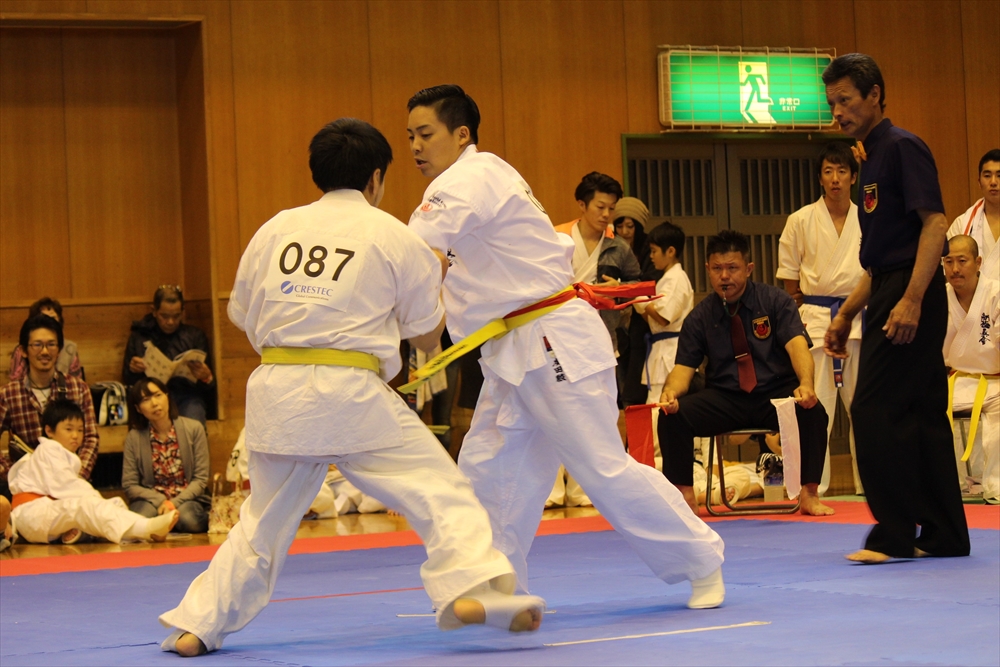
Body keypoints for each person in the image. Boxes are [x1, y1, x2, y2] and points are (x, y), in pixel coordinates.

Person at [159, 118, 546, 658]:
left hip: (276, 388)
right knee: (442, 492)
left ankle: (198, 626)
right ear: (376, 177)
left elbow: (242, 314)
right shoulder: (395, 236)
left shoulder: (274, 229)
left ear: (317, 172)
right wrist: (435, 277)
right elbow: (424, 333)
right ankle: (470, 587)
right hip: (351, 392)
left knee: (261, 523)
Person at [406, 84, 725, 610]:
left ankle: (701, 561)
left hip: (550, 340)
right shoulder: (479, 179)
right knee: (489, 469)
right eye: (410, 137)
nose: (416, 147)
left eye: (425, 134)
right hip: (513, 349)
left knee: (601, 466)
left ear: (461, 135)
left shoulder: (467, 178)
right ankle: (493, 586)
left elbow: (416, 252)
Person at [822, 53, 970, 563]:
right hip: (892, 286)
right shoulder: (871, 158)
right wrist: (846, 313)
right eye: (832, 103)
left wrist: (911, 299)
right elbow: (880, 259)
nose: (837, 112)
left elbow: (935, 224)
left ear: (875, 94)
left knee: (873, 409)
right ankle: (945, 534)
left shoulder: (903, 146)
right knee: (921, 414)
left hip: (913, 290)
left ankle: (894, 533)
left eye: (845, 100)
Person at [657, 230, 833, 516]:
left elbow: (798, 346)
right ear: (707, 269)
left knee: (813, 411)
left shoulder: (775, 301)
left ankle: (809, 493)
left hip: (774, 394)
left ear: (749, 268)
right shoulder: (700, 317)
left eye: (732, 268)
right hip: (725, 398)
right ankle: (685, 498)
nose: (724, 276)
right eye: (717, 268)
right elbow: (682, 369)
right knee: (671, 416)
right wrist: (670, 393)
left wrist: (806, 384)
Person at [776, 141, 865, 496]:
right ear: (819, 178)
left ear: (854, 177)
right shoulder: (799, 220)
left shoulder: (868, 217)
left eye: (842, 171)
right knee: (815, 405)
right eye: (828, 171)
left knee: (864, 407)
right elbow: (790, 281)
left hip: (859, 319)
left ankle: (870, 486)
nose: (835, 178)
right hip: (815, 320)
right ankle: (813, 486)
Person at [8, 398, 178, 545]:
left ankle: (140, 530)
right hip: (32, 513)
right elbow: (67, 486)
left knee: (112, 504)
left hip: (46, 512)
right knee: (88, 506)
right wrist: (98, 501)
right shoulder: (49, 449)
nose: (75, 435)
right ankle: (145, 527)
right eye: (68, 429)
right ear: (49, 431)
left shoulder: (61, 453)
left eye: (80, 430)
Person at [1, 315, 99, 497]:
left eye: (51, 344)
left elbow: (91, 438)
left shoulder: (78, 388)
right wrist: (12, 474)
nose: (45, 351)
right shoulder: (8, 394)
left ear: (59, 349)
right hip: (27, 487)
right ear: (23, 351)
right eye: (37, 345)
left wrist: (75, 477)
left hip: (71, 482)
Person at [942, 235, 999, 504]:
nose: (955, 269)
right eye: (948, 261)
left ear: (978, 262)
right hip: (956, 382)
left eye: (962, 261)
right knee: (920, 407)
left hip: (995, 383)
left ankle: (995, 485)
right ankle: (942, 487)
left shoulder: (995, 294)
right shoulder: (938, 298)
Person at [633, 222, 693, 470]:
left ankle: (659, 468)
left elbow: (664, 316)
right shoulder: (666, 279)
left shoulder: (677, 278)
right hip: (660, 348)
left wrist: (640, 301)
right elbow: (654, 318)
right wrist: (641, 302)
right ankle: (650, 466)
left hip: (671, 351)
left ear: (670, 251)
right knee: (653, 410)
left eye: (654, 251)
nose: (651, 256)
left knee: (661, 410)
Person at [122, 378, 211, 534]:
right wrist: (161, 500)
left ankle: (169, 522)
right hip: (151, 499)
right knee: (139, 522)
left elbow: (201, 479)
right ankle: (166, 522)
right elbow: (130, 484)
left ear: (167, 396)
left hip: (186, 498)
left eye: (158, 395)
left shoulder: (194, 429)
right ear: (138, 409)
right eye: (146, 400)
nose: (154, 403)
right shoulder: (134, 437)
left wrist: (173, 503)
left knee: (189, 520)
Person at [122, 286, 216, 425]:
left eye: (176, 316)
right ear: (154, 311)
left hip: (186, 396)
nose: (170, 322)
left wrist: (206, 377)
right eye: (164, 316)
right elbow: (128, 380)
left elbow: (209, 387)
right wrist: (133, 370)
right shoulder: (139, 336)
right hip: (150, 397)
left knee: (194, 417)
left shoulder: (195, 336)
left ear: (182, 312)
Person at [614, 197, 664, 408]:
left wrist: (621, 288)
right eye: (619, 226)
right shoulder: (612, 247)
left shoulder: (650, 250)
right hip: (616, 319)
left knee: (638, 381)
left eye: (630, 226)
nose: (624, 231)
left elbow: (649, 284)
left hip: (643, 321)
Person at [948, 149, 1000, 280]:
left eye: (999, 175)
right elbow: (948, 265)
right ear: (979, 182)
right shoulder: (962, 223)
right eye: (987, 176)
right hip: (973, 293)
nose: (993, 182)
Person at [7, 297, 82, 382]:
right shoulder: (23, 349)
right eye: (37, 344)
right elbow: (16, 380)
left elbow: (76, 380)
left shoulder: (70, 348)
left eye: (53, 319)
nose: (48, 323)